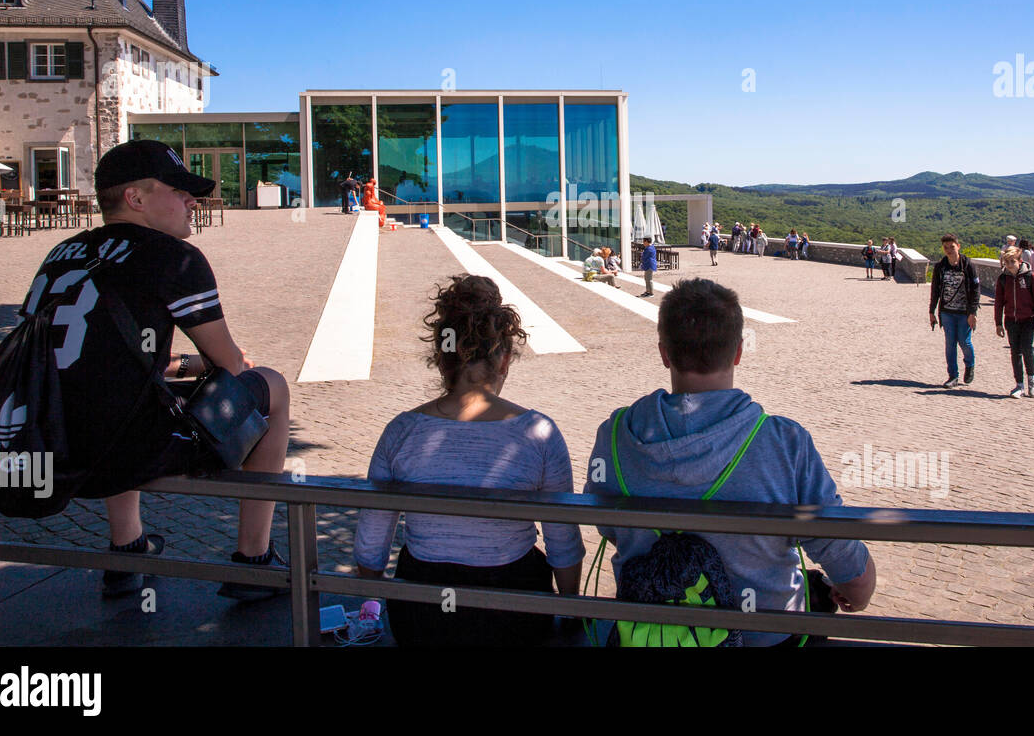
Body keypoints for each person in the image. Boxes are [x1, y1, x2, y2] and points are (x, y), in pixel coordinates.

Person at [23, 140, 292, 599]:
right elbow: (228, 367)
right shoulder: (174, 258)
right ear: (136, 198)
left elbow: (83, 357)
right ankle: (255, 559)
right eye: (179, 190)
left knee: (113, 393)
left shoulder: (61, 254)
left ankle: (128, 548)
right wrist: (211, 363)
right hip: (125, 452)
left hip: (48, 439)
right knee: (272, 384)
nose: (193, 201)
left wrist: (183, 363)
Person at [583, 278, 876, 646]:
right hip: (765, 637)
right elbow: (852, 575)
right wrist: (856, 591)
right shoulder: (784, 442)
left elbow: (607, 526)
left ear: (664, 353)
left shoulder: (614, 435)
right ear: (738, 351)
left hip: (649, 631)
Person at [353, 275, 585, 646]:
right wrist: (571, 607)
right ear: (505, 359)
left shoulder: (400, 431)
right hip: (513, 613)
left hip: (422, 615)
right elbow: (563, 544)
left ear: (440, 359)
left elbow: (370, 548)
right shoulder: (540, 432)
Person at [928, 234, 980, 388]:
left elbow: (976, 289)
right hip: (947, 311)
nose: (949, 250)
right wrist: (932, 311)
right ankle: (953, 376)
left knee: (964, 342)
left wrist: (973, 312)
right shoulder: (940, 266)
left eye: (952, 246)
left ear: (958, 246)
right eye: (946, 247)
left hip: (964, 311)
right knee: (950, 344)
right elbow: (935, 290)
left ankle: (969, 365)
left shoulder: (968, 265)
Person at [994, 246, 1034, 398]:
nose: (1009, 265)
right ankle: (1019, 385)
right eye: (1007, 262)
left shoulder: (1030, 277)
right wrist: (998, 323)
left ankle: (1032, 379)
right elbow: (998, 302)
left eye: (1012, 262)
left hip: (1028, 319)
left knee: (1027, 349)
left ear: (1019, 261)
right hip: (1011, 320)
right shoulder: (1003, 279)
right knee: (1015, 352)